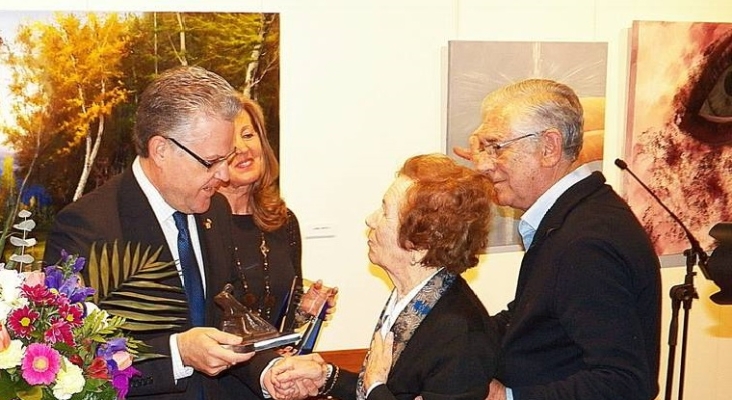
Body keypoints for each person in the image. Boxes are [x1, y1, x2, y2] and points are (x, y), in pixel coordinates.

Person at [42, 66, 317, 400]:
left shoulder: (214, 211)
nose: (224, 175)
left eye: (227, 159)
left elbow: (222, 324)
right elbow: (76, 359)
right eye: (212, 161)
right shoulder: (87, 227)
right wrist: (178, 353)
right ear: (161, 150)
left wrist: (267, 372)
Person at [462, 78, 662, 400]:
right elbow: (532, 320)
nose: (484, 165)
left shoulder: (585, 243)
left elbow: (625, 384)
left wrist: (508, 397)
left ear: (548, 148)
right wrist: (450, 340)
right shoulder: (572, 217)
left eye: (496, 147)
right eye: (482, 147)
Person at [268, 153, 499, 400]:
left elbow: (379, 389)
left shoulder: (461, 336)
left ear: (420, 245)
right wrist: (327, 377)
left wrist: (375, 387)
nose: (371, 219)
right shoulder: (416, 300)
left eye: (385, 212)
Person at [216, 95, 336, 332]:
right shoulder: (198, 222)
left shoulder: (282, 220)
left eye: (248, 135)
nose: (242, 148)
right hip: (220, 367)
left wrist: (304, 310)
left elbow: (285, 320)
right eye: (229, 141)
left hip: (275, 365)